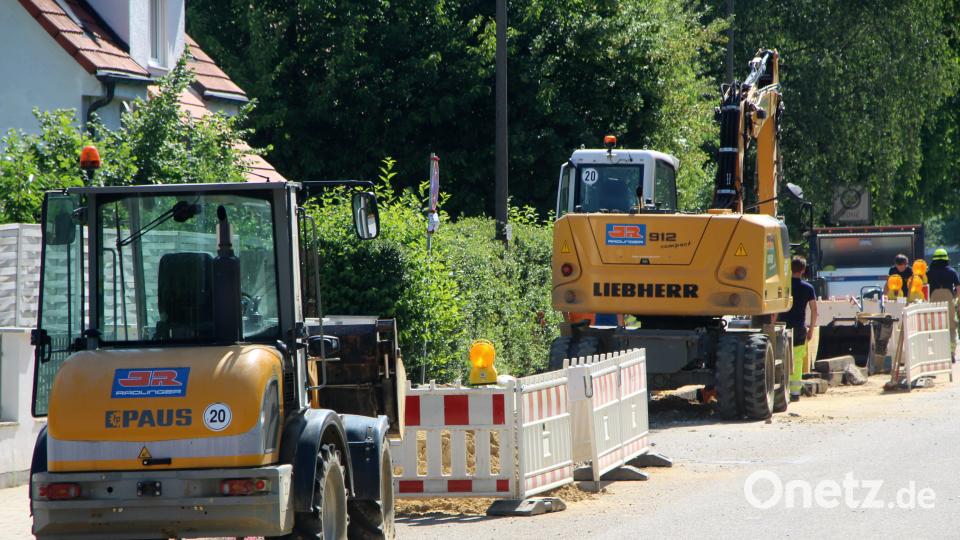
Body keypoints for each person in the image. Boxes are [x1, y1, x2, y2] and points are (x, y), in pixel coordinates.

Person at [784, 256, 818, 401]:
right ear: (803, 270)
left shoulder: (784, 286)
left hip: (783, 327)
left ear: (790, 268)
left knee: (782, 358)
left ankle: (783, 391)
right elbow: (814, 310)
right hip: (799, 328)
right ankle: (795, 392)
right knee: (797, 360)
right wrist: (811, 330)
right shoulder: (808, 288)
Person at [927, 248, 959, 353]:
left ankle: (938, 351)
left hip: (933, 302)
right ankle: (951, 352)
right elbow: (958, 288)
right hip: (949, 302)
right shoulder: (952, 271)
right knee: (951, 326)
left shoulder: (929, 273)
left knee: (935, 326)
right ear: (946, 259)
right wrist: (957, 301)